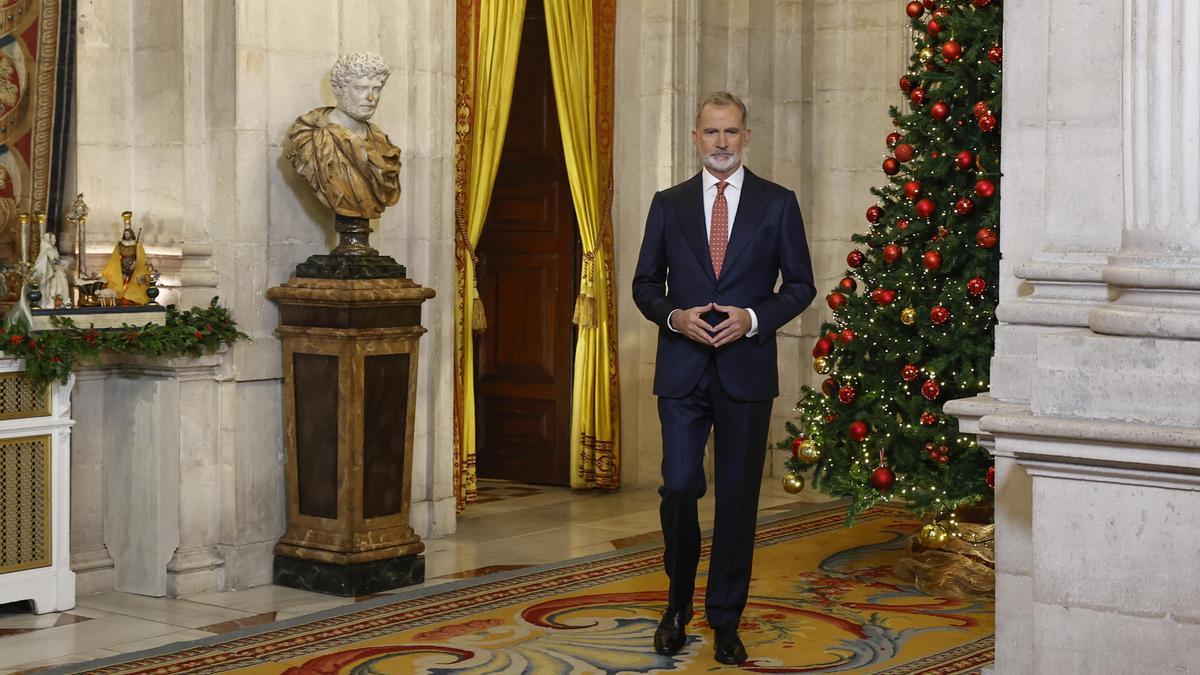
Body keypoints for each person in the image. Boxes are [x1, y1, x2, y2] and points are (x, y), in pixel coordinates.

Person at [632, 91, 815, 665]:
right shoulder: (668, 204)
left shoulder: (778, 204)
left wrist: (754, 318)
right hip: (682, 372)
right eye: (711, 133)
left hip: (746, 371)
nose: (721, 143)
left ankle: (726, 618)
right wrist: (674, 317)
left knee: (737, 500)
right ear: (695, 137)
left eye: (730, 132)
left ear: (746, 135)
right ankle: (677, 606)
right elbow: (644, 284)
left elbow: (801, 285)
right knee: (680, 485)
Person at [285, 52, 401, 219]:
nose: (371, 97)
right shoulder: (310, 140)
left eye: (376, 89)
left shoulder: (382, 144)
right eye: (360, 88)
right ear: (339, 89)